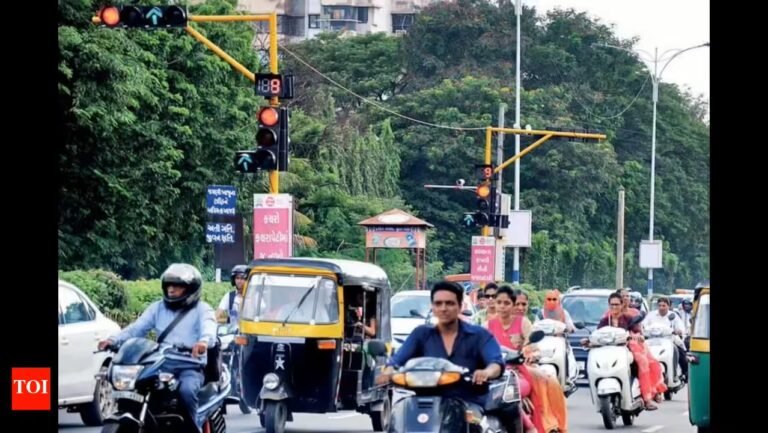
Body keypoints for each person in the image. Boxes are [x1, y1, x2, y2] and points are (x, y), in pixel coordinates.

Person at [98, 264, 217, 433]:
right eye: (168, 285)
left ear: (191, 289)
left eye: (177, 286)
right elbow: (137, 328)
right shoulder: (157, 308)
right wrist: (113, 340)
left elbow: (209, 329)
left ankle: (193, 429)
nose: (171, 290)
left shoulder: (202, 309)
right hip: (162, 364)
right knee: (140, 387)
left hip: (189, 365)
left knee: (187, 391)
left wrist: (203, 342)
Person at [376, 281, 504, 420]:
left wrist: (486, 372)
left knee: (473, 423)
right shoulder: (421, 334)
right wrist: (387, 372)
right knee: (400, 420)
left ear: (460, 306)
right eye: (438, 303)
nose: (443, 308)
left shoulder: (479, 335)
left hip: (468, 403)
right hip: (425, 405)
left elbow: (496, 363)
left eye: (449, 303)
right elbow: (397, 360)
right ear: (432, 307)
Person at [590, 293, 664, 410]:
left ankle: (647, 398)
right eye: (612, 305)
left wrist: (639, 337)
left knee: (642, 361)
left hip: (626, 349)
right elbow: (597, 334)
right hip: (607, 351)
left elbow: (637, 331)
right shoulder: (605, 320)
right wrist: (589, 341)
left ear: (622, 305)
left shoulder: (628, 318)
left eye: (617, 304)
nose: (614, 307)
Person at [645, 297, 688, 381]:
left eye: (664, 305)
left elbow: (681, 328)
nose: (661, 308)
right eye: (659, 305)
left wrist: (678, 331)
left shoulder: (673, 316)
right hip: (652, 340)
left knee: (680, 352)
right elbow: (643, 325)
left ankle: (684, 373)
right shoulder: (651, 315)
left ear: (669, 306)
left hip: (669, 340)